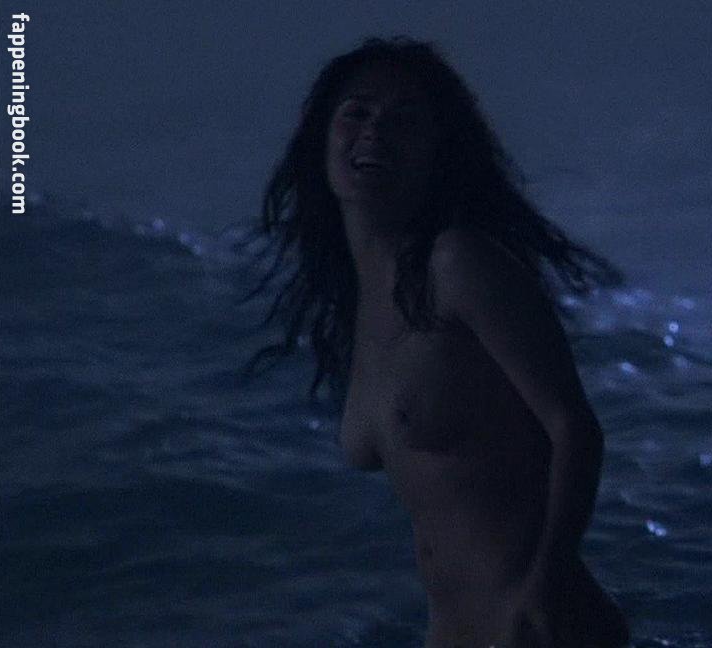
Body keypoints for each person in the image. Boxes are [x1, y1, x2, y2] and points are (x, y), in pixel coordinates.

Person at [235, 36, 631, 647]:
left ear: (438, 154)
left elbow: (574, 428)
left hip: (537, 627)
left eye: (403, 121)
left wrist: (546, 583)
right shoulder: (361, 305)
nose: (374, 132)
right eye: (356, 113)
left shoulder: (458, 264)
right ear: (320, 139)